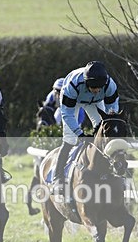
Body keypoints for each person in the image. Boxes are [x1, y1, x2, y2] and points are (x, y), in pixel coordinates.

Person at [51, 60, 119, 195]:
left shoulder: (110, 86)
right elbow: (67, 114)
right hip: (74, 101)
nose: (96, 90)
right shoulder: (72, 85)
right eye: (93, 87)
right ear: (87, 82)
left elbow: (112, 113)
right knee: (70, 139)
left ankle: (107, 170)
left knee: (103, 130)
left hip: (95, 102)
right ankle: (57, 178)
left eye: (99, 88)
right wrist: (80, 134)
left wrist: (106, 125)